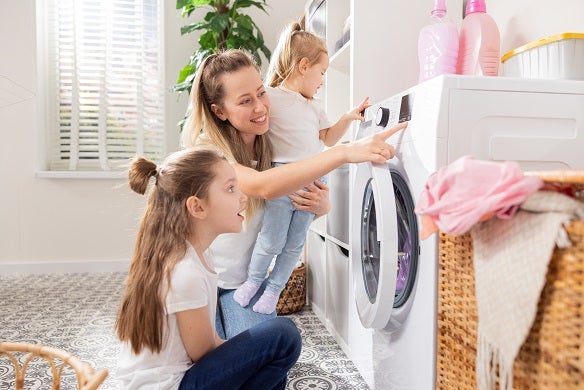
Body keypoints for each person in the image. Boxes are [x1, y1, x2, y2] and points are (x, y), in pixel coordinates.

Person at [182, 49, 407, 339]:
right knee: (216, 363)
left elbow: (277, 214)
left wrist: (318, 209)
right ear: (220, 111)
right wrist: (344, 153)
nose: (261, 107)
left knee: (268, 353)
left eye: (261, 93)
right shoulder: (210, 152)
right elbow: (262, 186)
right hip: (201, 284)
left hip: (243, 284)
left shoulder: (276, 147)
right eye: (245, 101)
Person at [115, 146, 302, 389]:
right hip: (171, 385)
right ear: (197, 207)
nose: (243, 197)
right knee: (283, 336)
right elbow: (203, 354)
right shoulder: (185, 271)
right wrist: (250, 355)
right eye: (230, 189)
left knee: (272, 363)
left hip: (179, 378)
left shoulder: (195, 254)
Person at [232, 21, 373, 314]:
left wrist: (347, 118)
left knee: (295, 245)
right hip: (281, 178)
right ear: (303, 66)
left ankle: (273, 291)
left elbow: (329, 139)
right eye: (321, 73)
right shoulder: (272, 97)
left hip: (313, 180)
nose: (322, 80)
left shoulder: (314, 106)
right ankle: (253, 282)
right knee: (272, 240)